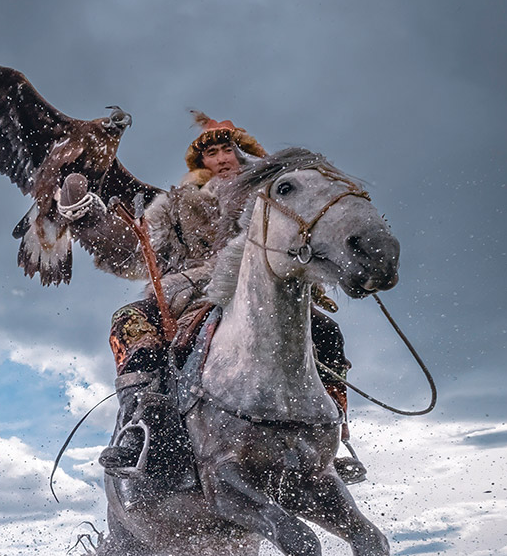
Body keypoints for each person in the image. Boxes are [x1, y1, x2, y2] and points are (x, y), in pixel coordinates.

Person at [96, 114, 366, 483]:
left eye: (229, 150)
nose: (222, 158)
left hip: (260, 294)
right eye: (212, 153)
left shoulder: (276, 197)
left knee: (327, 331)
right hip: (189, 292)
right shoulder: (174, 205)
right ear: (201, 163)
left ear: (245, 154)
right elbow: (147, 258)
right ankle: (140, 426)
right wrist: (114, 225)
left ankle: (334, 431)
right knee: (129, 319)